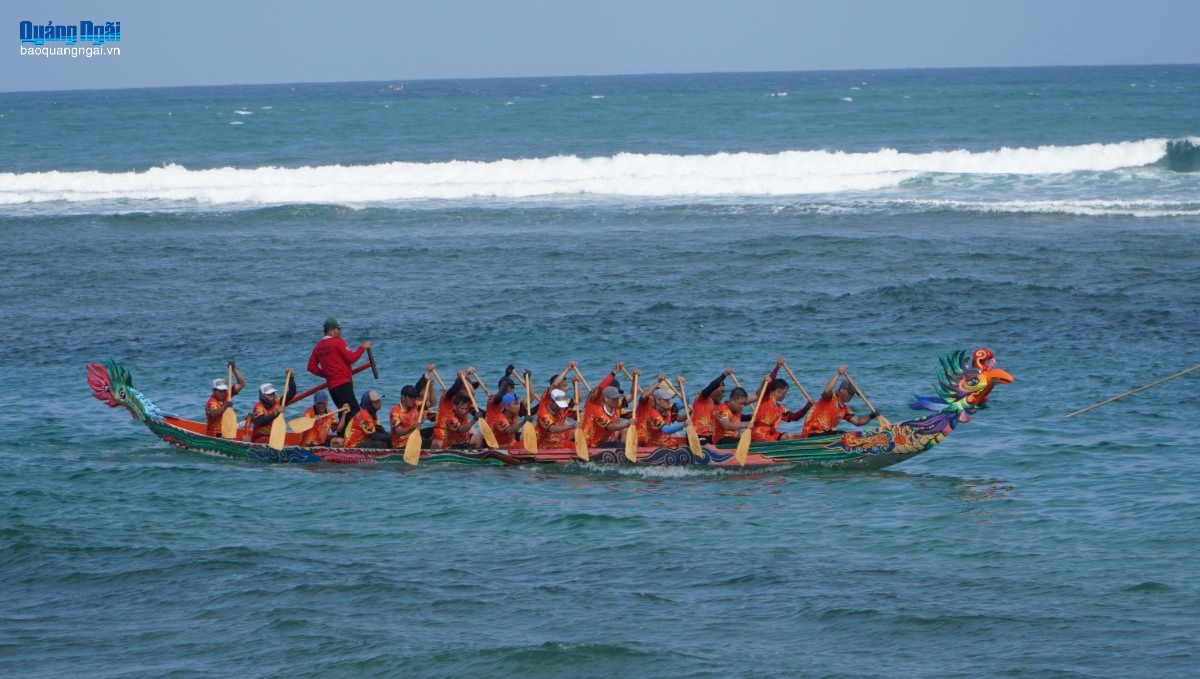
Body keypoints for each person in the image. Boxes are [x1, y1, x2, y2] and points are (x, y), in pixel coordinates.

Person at [306, 317, 372, 430]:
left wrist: (328, 374)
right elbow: (351, 358)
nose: (340, 332)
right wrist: (362, 347)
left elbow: (311, 367)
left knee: (344, 411)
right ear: (331, 330)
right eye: (338, 329)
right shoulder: (338, 341)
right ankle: (358, 437)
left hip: (332, 387)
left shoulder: (317, 347)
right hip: (343, 383)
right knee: (354, 411)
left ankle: (342, 436)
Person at [801, 365, 879, 438]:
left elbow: (858, 421)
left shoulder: (844, 409)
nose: (851, 396)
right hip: (811, 433)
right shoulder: (830, 398)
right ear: (841, 389)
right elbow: (827, 390)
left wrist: (872, 416)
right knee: (842, 435)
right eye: (849, 392)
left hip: (825, 434)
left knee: (845, 434)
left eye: (852, 394)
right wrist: (838, 374)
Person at [582, 362, 632, 447]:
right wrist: (614, 372)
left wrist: (634, 378)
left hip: (607, 439)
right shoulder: (594, 400)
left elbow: (631, 395)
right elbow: (601, 386)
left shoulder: (614, 403)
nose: (616, 398)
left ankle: (623, 454)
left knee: (625, 431)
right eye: (614, 393)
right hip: (591, 442)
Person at [750, 374, 812, 442]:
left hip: (771, 434)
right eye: (784, 393)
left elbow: (794, 417)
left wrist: (807, 407)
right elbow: (770, 382)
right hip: (758, 434)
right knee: (772, 441)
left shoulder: (780, 408)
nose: (785, 396)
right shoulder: (765, 398)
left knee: (789, 436)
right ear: (779, 391)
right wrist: (777, 367)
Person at [535, 362, 577, 449]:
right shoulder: (544, 409)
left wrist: (576, 385)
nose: (560, 407)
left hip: (559, 439)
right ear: (551, 402)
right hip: (547, 444)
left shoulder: (561, 400)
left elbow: (577, 400)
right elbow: (553, 429)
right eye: (564, 385)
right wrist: (568, 369)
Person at [249, 370, 298, 443]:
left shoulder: (278, 401)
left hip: (275, 437)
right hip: (260, 438)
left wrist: (291, 378)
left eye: (273, 393)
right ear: (263, 396)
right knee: (265, 440)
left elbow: (292, 392)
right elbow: (262, 421)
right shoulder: (258, 407)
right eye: (269, 394)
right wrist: (276, 413)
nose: (272, 396)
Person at [204, 361, 246, 437]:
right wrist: (224, 407)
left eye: (224, 390)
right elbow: (213, 414)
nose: (223, 393)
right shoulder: (211, 402)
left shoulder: (227, 395)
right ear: (213, 391)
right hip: (215, 434)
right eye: (220, 391)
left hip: (227, 430)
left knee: (247, 421)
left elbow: (241, 383)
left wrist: (234, 369)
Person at [689, 368, 731, 441]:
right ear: (714, 390)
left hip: (711, 438)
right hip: (697, 436)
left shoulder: (719, 406)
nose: (723, 395)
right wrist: (723, 375)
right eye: (722, 391)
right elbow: (711, 386)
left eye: (724, 392)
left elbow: (725, 419)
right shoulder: (702, 398)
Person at [389, 385, 427, 449]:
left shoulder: (414, 404)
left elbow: (431, 402)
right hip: (400, 444)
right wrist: (412, 427)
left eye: (414, 397)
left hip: (414, 440)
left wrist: (430, 386)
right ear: (403, 397)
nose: (413, 400)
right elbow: (399, 432)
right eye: (410, 398)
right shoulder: (395, 412)